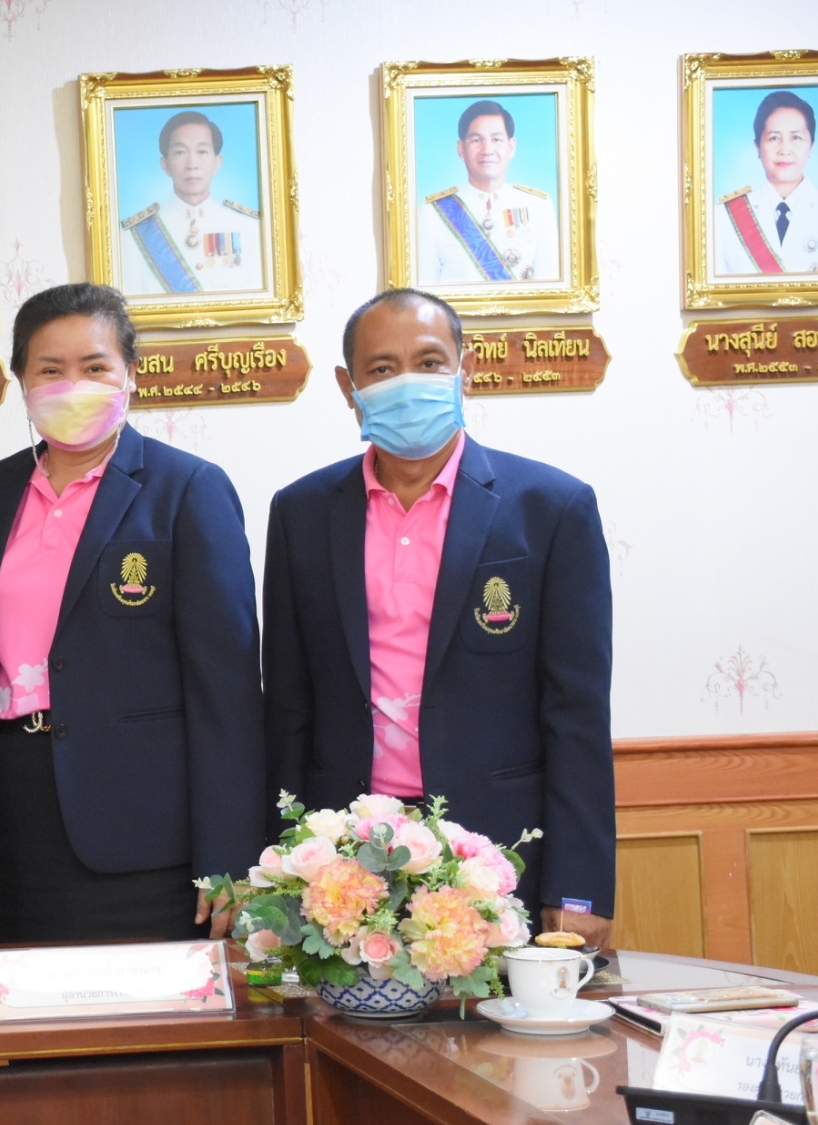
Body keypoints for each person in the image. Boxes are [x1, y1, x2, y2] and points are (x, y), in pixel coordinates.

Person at [262, 288, 614, 947]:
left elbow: (577, 714)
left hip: (500, 848)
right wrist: (281, 865)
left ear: (465, 368)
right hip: (345, 857)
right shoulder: (302, 513)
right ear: (348, 387)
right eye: (382, 368)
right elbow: (287, 707)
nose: (408, 383)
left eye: (428, 363)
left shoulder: (551, 509)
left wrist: (579, 887)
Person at [0, 283, 267, 944]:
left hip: (147, 830)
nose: (74, 386)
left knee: (157, 1007)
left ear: (131, 374)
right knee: (35, 1004)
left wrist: (232, 852)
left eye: (95, 367)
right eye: (50, 370)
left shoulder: (188, 489)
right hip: (16, 819)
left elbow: (227, 692)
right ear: (21, 381)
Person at [117, 110, 263, 298]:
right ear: (165, 165)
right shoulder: (132, 236)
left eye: (202, 151)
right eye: (180, 152)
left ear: (217, 163)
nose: (192, 164)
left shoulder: (250, 228)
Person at [714, 89, 818, 276]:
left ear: (811, 146)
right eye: (774, 138)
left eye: (796, 137)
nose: (785, 149)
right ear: (757, 147)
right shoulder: (722, 218)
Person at [416, 100, 560, 285]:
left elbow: (549, 288)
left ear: (511, 147)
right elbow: (424, 291)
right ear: (461, 149)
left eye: (496, 140)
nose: (487, 150)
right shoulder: (433, 211)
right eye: (476, 140)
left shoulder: (539, 206)